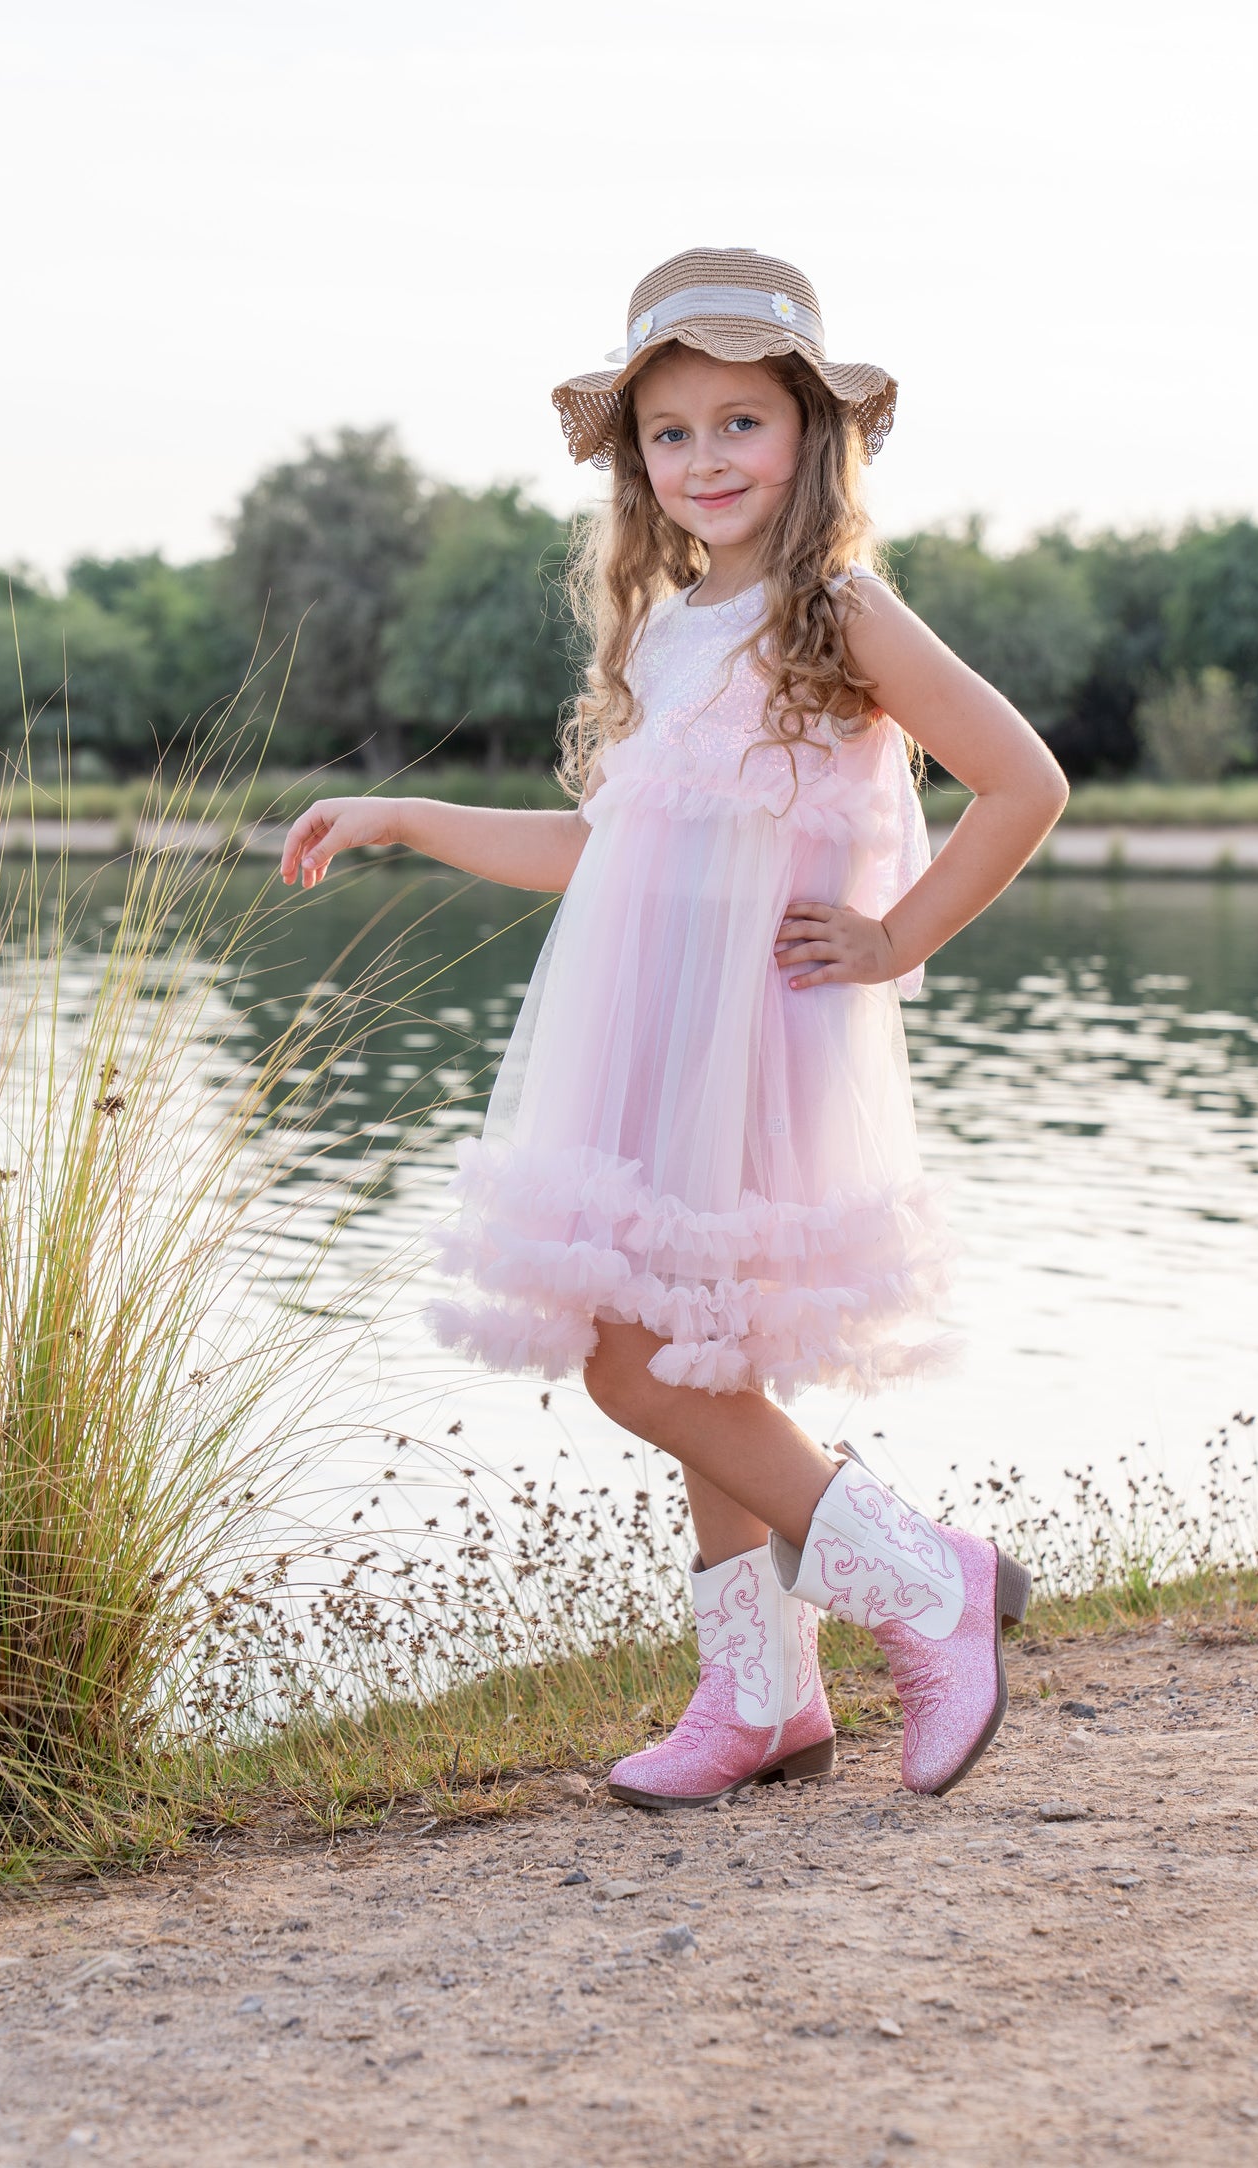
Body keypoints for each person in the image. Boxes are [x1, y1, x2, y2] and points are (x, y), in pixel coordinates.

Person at [281, 247, 1069, 1809]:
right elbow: (613, 850)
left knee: (641, 1371)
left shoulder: (833, 609)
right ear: (633, 462)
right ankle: (757, 1695)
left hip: (760, 1034)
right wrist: (412, 816)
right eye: (670, 433)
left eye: (740, 424)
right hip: (651, 1032)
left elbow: (1022, 781)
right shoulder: (663, 632)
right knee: (693, 1354)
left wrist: (896, 936)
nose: (704, 460)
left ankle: (927, 1582)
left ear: (810, 438)